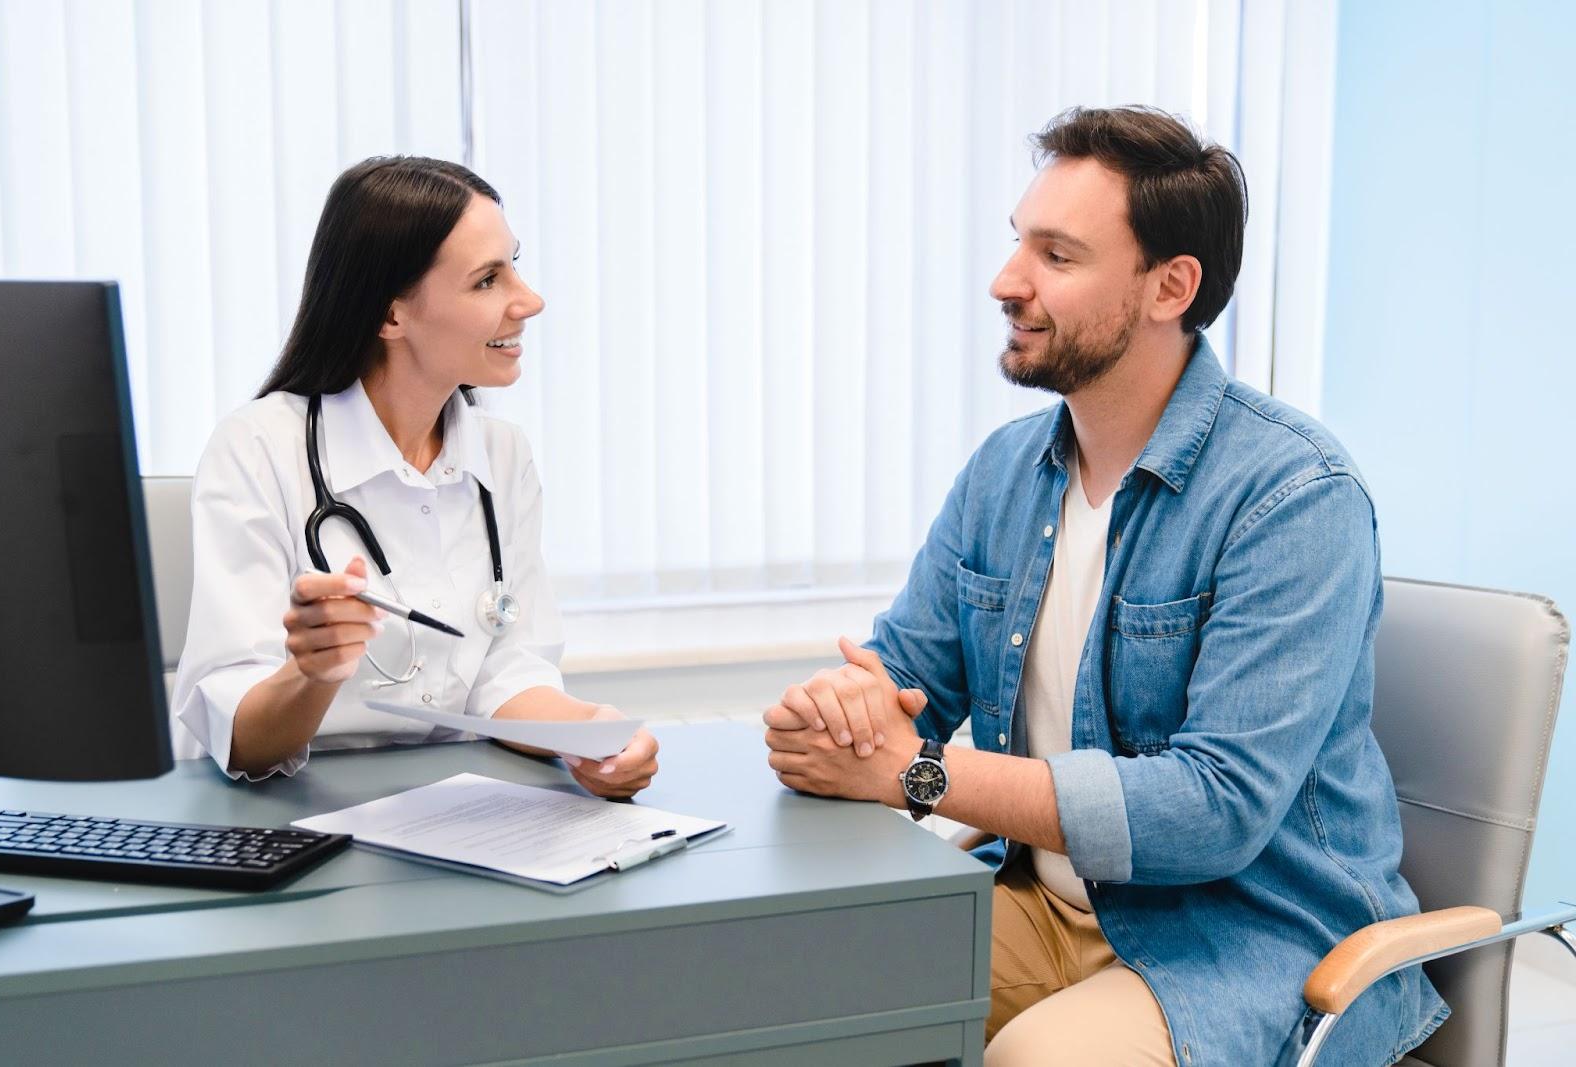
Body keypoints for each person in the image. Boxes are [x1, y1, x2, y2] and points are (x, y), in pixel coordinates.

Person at [761, 107, 1446, 1065]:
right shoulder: (1005, 472)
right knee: (774, 984)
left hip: (1249, 938)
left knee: (1038, 1059)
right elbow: (909, 676)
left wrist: (913, 772)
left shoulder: (1294, 496)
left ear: (1171, 286)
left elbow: (1213, 809)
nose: (1008, 282)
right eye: (1016, 244)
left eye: (1058, 255)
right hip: (1045, 906)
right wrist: (839, 709)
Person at [173, 156, 657, 797]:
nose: (530, 300)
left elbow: (504, 676)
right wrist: (312, 674)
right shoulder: (258, 448)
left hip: (458, 807)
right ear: (391, 315)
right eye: (488, 279)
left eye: (516, 263)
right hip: (289, 817)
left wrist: (594, 735)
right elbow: (242, 738)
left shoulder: (502, 455)